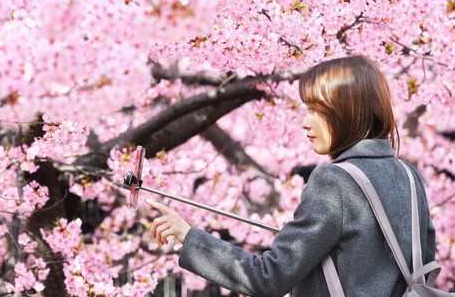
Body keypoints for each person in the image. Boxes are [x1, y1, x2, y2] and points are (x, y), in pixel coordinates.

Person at [148, 55, 437, 296]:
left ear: (348, 112)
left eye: (316, 110)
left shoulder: (335, 182)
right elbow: (421, 270)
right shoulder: (409, 177)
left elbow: (268, 277)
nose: (304, 122)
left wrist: (188, 237)